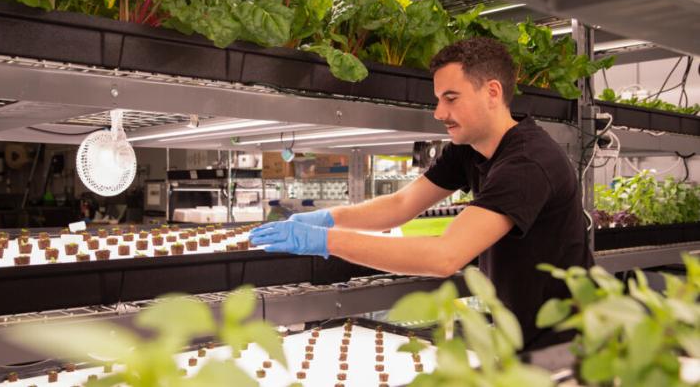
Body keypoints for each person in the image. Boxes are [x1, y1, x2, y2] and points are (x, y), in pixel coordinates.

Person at [250, 37, 594, 351]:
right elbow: (402, 205)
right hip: (516, 329)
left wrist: (326, 241)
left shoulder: (527, 163)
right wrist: (329, 217)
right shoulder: (469, 149)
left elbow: (444, 256)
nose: (439, 113)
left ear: (492, 92)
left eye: (451, 98)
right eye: (438, 99)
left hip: (565, 340)